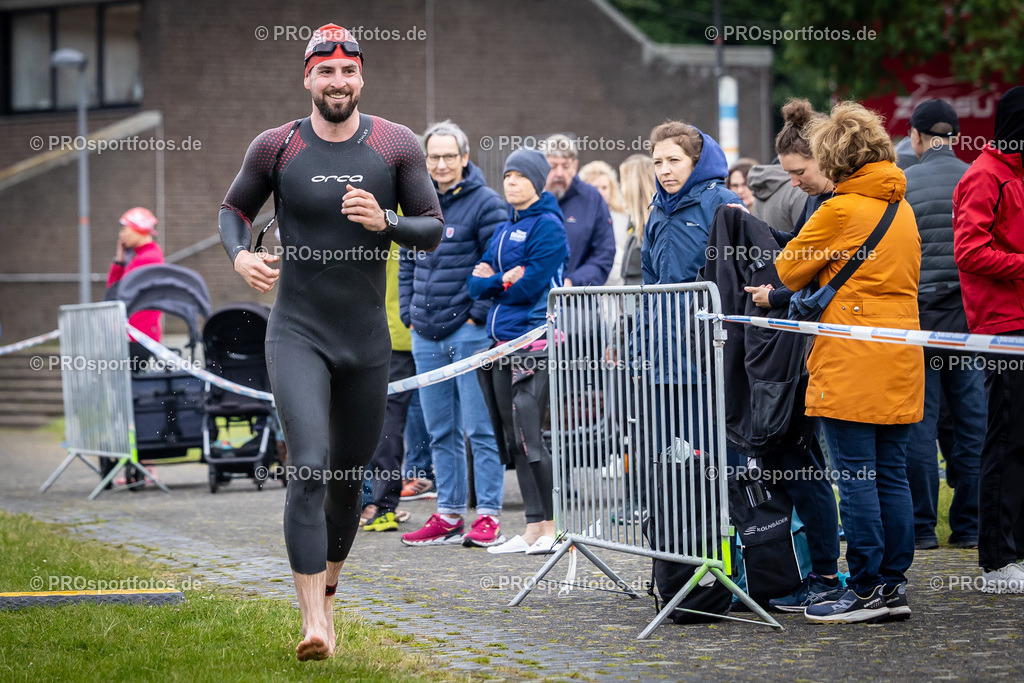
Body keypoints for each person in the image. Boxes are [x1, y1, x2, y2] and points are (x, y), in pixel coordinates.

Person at [218, 24, 442, 660]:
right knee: (310, 462)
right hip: (297, 331)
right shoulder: (277, 146)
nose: (337, 82)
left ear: (361, 77)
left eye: (348, 71)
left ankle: (331, 588)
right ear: (307, 78)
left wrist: (386, 220)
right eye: (325, 71)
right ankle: (314, 621)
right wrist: (240, 258)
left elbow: (433, 230)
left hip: (366, 341)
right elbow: (233, 211)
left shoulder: (395, 144)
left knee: (349, 482)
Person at [777, 102, 924, 624]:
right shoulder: (900, 208)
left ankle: (862, 588)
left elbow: (787, 269)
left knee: (856, 476)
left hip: (848, 356)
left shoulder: (839, 209)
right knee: (891, 475)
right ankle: (891, 585)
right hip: (900, 353)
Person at [399, 120, 508, 548]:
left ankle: (489, 516)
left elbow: (498, 263)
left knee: (480, 429)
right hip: (425, 334)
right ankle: (448, 514)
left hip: (468, 334)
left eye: (449, 156)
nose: (441, 164)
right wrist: (409, 311)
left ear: (464, 158)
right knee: (439, 431)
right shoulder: (417, 203)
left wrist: (476, 317)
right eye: (434, 156)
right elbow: (408, 260)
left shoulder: (487, 204)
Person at [468, 147, 569, 555]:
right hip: (498, 345)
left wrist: (499, 281)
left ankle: (552, 528)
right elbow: (473, 284)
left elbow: (530, 287)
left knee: (531, 438)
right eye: (507, 175)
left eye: (520, 176)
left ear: (538, 181)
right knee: (513, 441)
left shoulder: (549, 226)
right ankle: (532, 527)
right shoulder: (503, 228)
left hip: (533, 344)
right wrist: (497, 281)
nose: (510, 182)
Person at [903, 99, 984, 551]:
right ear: (953, 136)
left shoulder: (904, 183)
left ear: (915, 136)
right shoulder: (976, 177)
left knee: (921, 422)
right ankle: (969, 526)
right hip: (969, 321)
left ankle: (920, 528)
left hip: (918, 320)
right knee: (973, 421)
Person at [952, 86, 1024, 593]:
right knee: (1005, 439)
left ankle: (1014, 550)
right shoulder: (985, 175)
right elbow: (970, 252)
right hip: (1001, 326)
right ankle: (997, 560)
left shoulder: (1014, 174)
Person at [746, 99, 834, 311]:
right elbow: (796, 238)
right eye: (789, 174)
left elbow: (814, 272)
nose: (794, 183)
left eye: (799, 172)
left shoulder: (837, 203)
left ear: (823, 157)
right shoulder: (815, 196)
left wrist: (775, 298)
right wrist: (751, 225)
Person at [362, 242, 421, 533]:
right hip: (398, 334)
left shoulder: (392, 222)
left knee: (385, 424)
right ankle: (377, 504)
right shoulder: (415, 215)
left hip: (393, 337)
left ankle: (382, 505)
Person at [542, 134, 615, 287]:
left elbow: (604, 254)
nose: (559, 173)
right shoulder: (529, 197)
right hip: (531, 304)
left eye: (565, 166)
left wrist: (573, 282)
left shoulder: (592, 199)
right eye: (553, 166)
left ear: (575, 166)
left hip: (577, 304)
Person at [107, 206, 164, 355]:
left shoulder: (147, 259)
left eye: (125, 229)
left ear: (137, 230)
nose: (121, 235)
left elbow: (114, 293)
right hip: (135, 335)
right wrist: (119, 261)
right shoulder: (140, 256)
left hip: (137, 337)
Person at [579, 160, 629, 285]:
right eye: (595, 187)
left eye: (604, 187)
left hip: (620, 287)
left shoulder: (623, 216)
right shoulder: (577, 218)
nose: (600, 192)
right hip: (590, 286)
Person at [617, 154, 657, 285]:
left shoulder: (654, 224)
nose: (620, 187)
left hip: (645, 302)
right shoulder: (634, 223)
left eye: (623, 180)